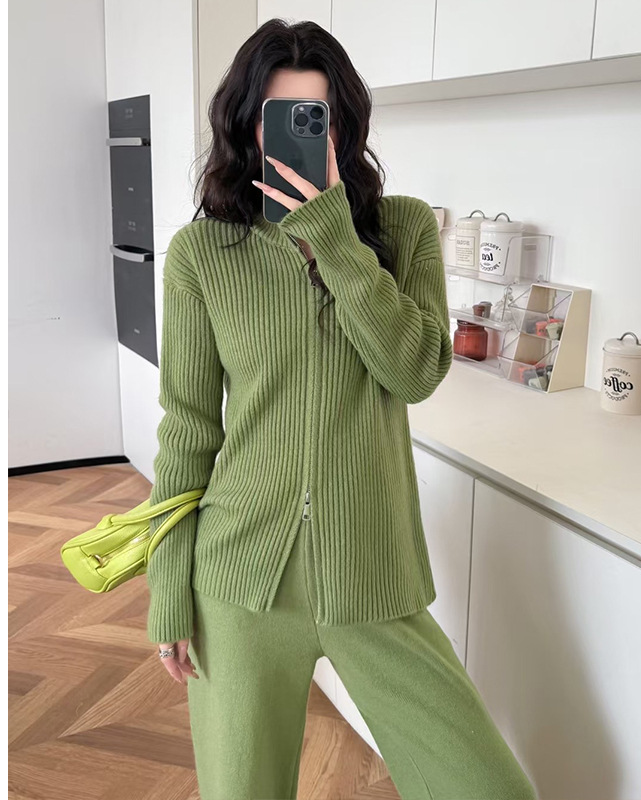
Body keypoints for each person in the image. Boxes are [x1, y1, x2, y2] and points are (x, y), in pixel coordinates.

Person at [145, 17, 538, 800]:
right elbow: (187, 429)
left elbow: (415, 371)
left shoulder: (404, 230)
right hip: (236, 583)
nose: (297, 138)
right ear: (246, 126)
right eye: (278, 118)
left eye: (314, 118)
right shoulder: (203, 255)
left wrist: (334, 237)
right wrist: (167, 587)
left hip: (373, 577)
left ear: (344, 126)